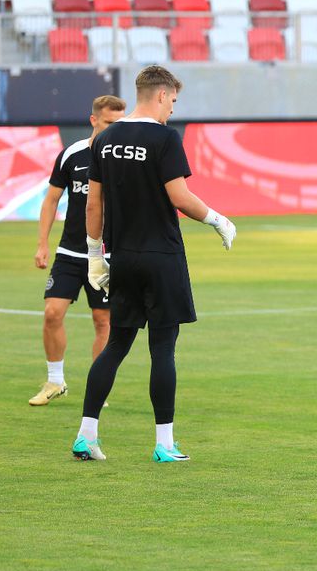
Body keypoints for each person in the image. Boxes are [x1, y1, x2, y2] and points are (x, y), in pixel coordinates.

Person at [72, 66, 237, 463]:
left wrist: (94, 256)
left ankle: (85, 436)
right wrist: (218, 220)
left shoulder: (105, 139)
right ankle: (164, 444)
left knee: (116, 345)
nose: (173, 110)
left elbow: (93, 204)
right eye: (173, 101)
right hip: (162, 256)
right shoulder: (165, 138)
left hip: (123, 257)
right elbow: (179, 197)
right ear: (161, 95)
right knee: (163, 348)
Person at [29, 95, 125, 406]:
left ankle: (98, 388)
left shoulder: (124, 158)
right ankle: (55, 381)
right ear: (94, 120)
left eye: (120, 123)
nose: (115, 128)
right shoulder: (71, 154)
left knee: (103, 321)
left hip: (107, 256)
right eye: (109, 122)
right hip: (70, 252)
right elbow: (51, 200)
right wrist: (42, 243)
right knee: (52, 313)